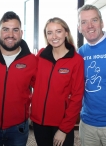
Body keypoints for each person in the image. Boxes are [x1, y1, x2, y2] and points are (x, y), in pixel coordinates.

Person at [0, 11, 37, 146]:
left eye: (15, 30)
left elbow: (41, 90)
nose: (10, 35)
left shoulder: (32, 61)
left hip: (18, 128)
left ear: (21, 33)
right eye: (6, 29)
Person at [30, 17, 84, 146]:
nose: (54, 36)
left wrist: (64, 129)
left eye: (58, 31)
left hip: (61, 123)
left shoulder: (76, 60)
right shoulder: (42, 55)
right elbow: (33, 80)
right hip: (39, 122)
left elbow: (77, 97)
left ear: (66, 33)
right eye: (49, 32)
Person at [78, 4, 106, 146]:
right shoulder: (80, 53)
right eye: (84, 22)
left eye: (94, 20)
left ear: (101, 22)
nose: (89, 26)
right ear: (79, 28)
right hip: (88, 124)